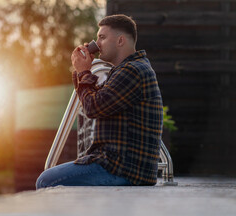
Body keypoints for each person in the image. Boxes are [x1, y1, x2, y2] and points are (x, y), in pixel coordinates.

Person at [36, 14, 163, 188]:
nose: (97, 43)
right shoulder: (126, 70)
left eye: (102, 37)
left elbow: (93, 108)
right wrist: (80, 70)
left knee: (46, 180)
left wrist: (83, 72)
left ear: (120, 41)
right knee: (50, 177)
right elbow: (92, 99)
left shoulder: (133, 71)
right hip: (119, 166)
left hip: (122, 169)